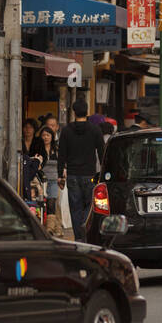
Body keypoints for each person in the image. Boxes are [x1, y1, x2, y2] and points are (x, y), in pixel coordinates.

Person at [58, 99, 105, 242]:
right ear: (87, 111)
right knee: (89, 205)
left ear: (74, 112)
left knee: (75, 207)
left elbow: (61, 154)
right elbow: (102, 151)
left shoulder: (66, 130)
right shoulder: (95, 130)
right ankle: (85, 226)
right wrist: (103, 170)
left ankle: (79, 236)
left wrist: (60, 175)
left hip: (72, 175)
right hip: (90, 174)